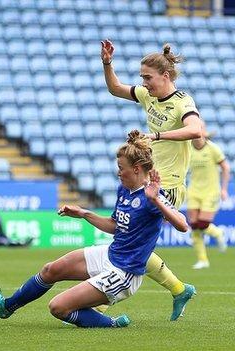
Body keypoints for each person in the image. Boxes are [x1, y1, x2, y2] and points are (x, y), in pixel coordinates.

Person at [0, 131, 189, 328]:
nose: (118, 172)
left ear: (136, 169)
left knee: (58, 307)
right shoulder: (124, 190)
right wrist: (83, 213)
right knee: (50, 270)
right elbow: (115, 226)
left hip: (124, 273)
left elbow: (182, 225)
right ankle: (7, 306)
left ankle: (112, 323)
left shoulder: (152, 195)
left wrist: (156, 200)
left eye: (121, 167)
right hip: (110, 254)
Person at [101, 40, 201, 320]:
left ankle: (99, 304)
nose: (143, 82)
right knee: (131, 240)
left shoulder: (183, 102)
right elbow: (115, 88)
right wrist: (107, 63)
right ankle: (179, 289)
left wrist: (156, 136)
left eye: (147, 77)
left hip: (166, 186)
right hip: (151, 182)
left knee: (129, 239)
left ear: (165, 76)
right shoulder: (147, 96)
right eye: (142, 77)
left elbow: (195, 129)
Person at [187, 133, 230, 269]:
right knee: (194, 226)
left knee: (203, 224)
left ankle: (218, 233)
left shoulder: (213, 148)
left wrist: (224, 189)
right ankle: (203, 260)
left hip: (210, 192)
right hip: (193, 190)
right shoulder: (188, 147)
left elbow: (226, 168)